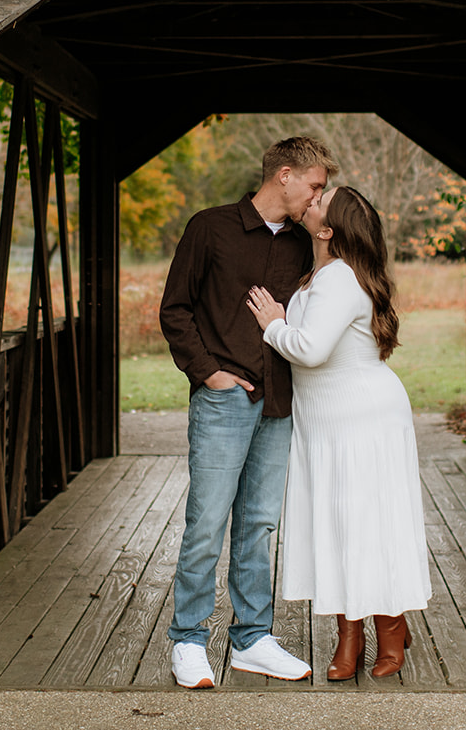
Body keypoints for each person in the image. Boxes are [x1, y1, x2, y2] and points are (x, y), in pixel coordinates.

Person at [160, 136, 339, 688]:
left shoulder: (302, 246)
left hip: (279, 403)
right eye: (313, 185)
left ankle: (252, 640)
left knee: (259, 525)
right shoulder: (209, 227)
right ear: (284, 175)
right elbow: (176, 309)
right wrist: (209, 374)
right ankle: (188, 640)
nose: (318, 197)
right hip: (223, 399)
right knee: (207, 523)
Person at [246, 186, 431, 681]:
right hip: (327, 421)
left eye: (321, 199)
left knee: (370, 523)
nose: (311, 199)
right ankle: (350, 632)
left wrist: (273, 324)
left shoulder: (341, 278)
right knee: (339, 525)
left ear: (327, 230)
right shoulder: (319, 276)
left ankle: (391, 627)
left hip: (361, 419)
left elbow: (309, 350)